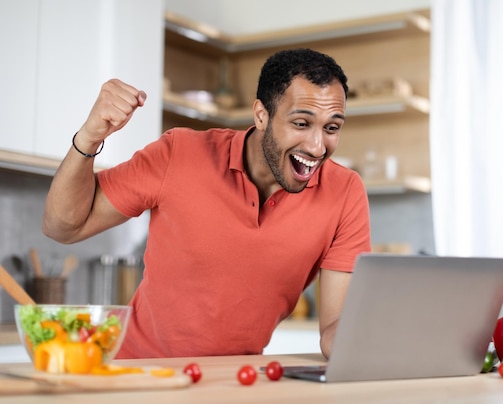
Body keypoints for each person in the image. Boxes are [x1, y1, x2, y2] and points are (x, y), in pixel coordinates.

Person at [42, 48, 371, 359]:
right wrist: (89, 136)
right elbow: (63, 227)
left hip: (234, 383)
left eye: (331, 128)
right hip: (140, 373)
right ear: (261, 115)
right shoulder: (179, 154)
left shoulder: (344, 192)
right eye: (301, 123)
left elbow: (334, 331)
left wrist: (390, 326)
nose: (317, 146)